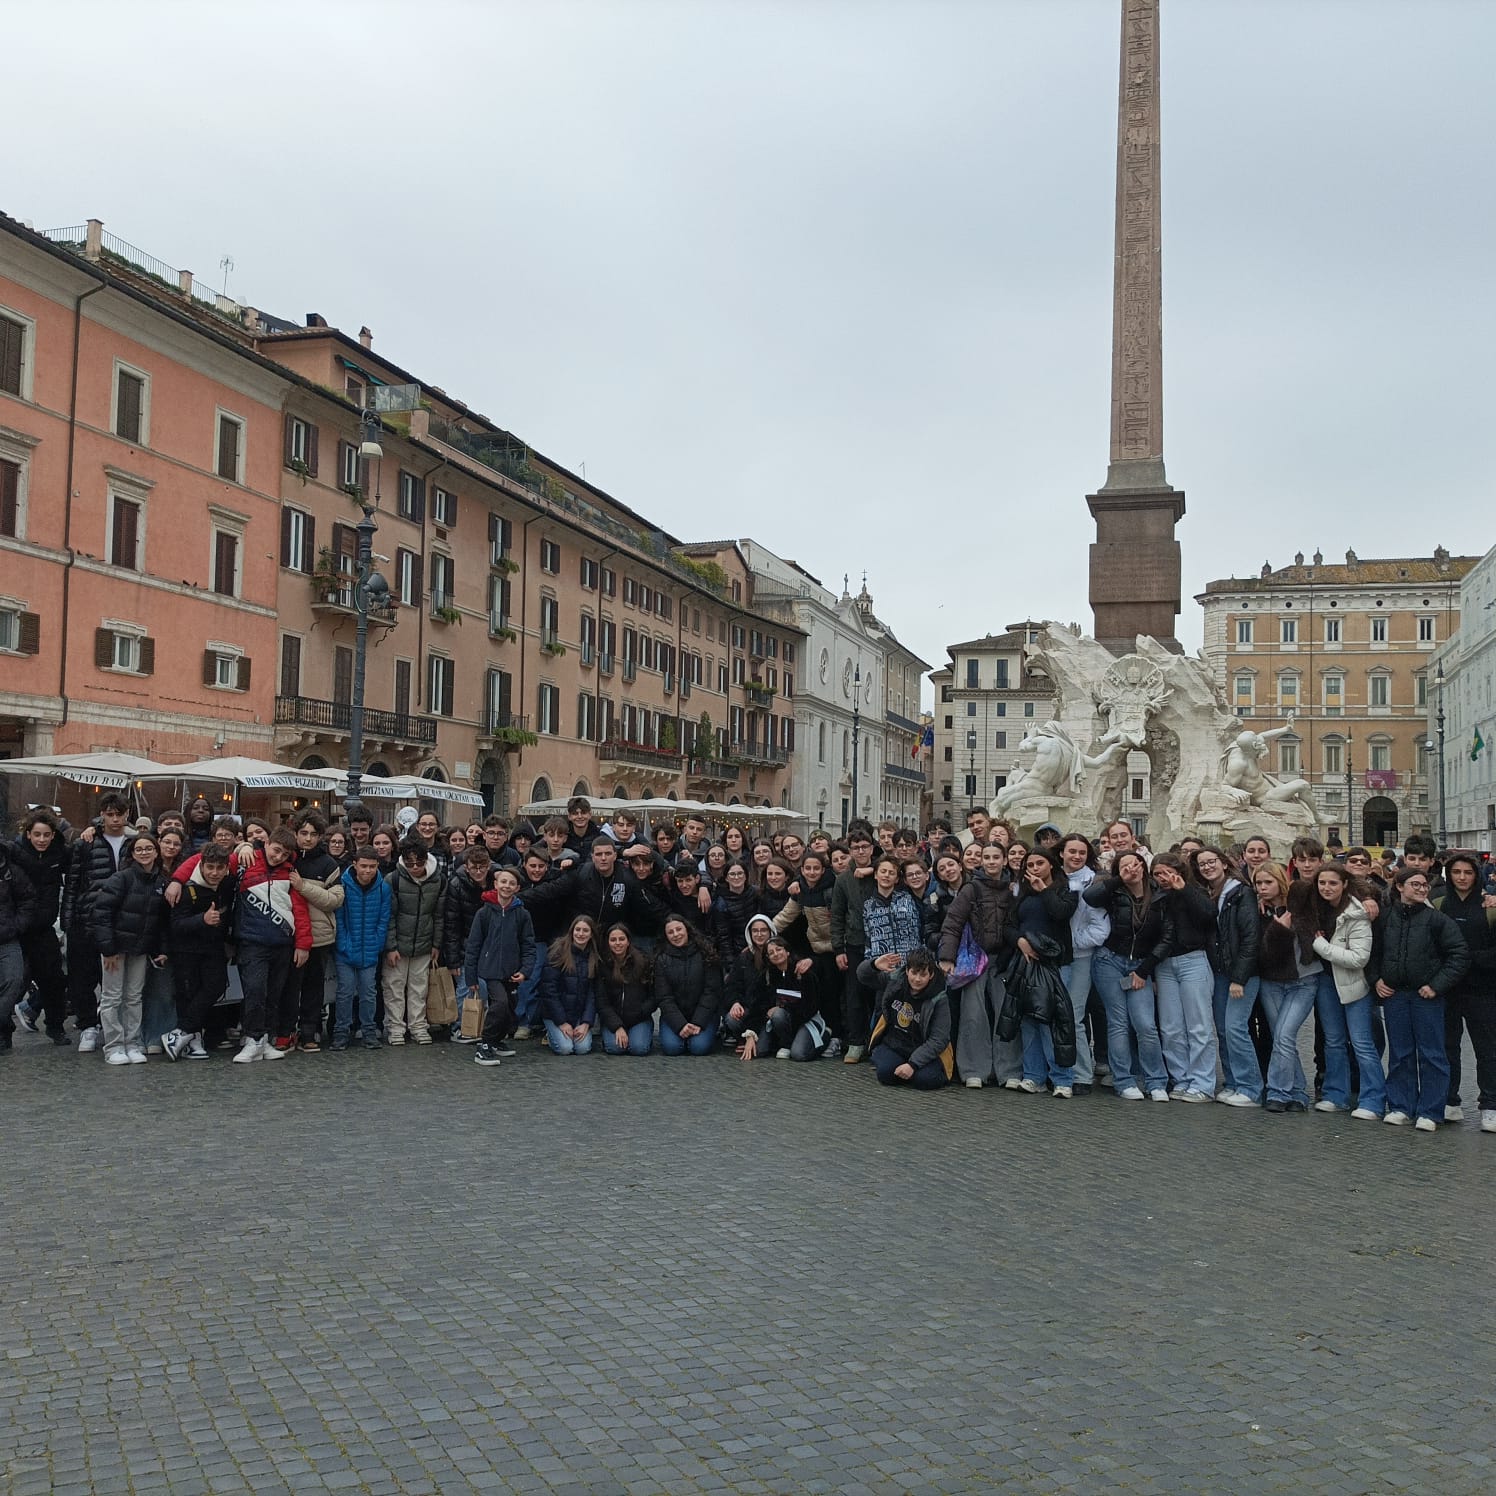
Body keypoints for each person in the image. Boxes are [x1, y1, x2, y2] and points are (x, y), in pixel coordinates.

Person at [1370, 867, 1469, 1129]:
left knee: (1432, 1054)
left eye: (1424, 885)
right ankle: (1401, 1106)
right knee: (1400, 1053)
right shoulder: (1385, 917)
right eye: (1415, 884)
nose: (1422, 889)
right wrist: (1376, 979)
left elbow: (1459, 954)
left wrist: (1436, 985)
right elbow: (1373, 951)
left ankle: (1430, 1111)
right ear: (1399, 886)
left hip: (1426, 996)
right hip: (1395, 995)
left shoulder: (1437, 920)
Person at [1085, 850, 1170, 1101]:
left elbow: (1167, 936)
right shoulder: (1114, 891)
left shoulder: (1159, 894)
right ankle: (1123, 1080)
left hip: (1141, 964)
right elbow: (1090, 897)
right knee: (1118, 1022)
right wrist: (1118, 880)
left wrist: (1145, 970)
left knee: (1145, 1024)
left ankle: (1156, 1081)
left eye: (1135, 863)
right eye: (1124, 865)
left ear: (1143, 866)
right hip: (1109, 960)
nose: (1131, 868)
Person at [937, 841, 1017, 1089]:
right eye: (987, 857)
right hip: (976, 959)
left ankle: (1009, 1070)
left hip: (1004, 959)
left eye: (996, 857)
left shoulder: (1013, 889)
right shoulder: (971, 889)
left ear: (1004, 860)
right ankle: (973, 1069)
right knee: (973, 1014)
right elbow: (953, 922)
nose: (991, 862)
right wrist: (947, 957)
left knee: (1007, 1014)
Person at [61, 791, 135, 1052]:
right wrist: (68, 919)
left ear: (127, 814)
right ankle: (88, 1026)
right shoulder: (86, 843)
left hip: (121, 919)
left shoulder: (134, 843)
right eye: (109, 814)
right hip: (87, 917)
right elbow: (73, 883)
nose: (115, 819)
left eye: (119, 814)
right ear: (102, 814)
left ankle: (111, 1025)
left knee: (115, 979)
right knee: (82, 976)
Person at [233, 827, 311, 1064]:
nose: (278, 857)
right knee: (255, 991)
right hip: (252, 941)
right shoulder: (245, 861)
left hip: (282, 943)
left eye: (284, 854)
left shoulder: (290, 873)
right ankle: (253, 1038)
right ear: (266, 844)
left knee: (273, 995)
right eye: (276, 850)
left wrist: (303, 944)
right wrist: (177, 881)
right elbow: (206, 861)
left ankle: (264, 1039)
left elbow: (299, 910)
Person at [1309, 863, 1381, 1120]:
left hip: (1354, 983)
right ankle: (1335, 1095)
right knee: (1333, 1041)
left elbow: (1358, 958)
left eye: (1333, 883)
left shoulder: (1357, 913)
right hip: (1327, 982)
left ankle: (1373, 1100)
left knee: (1362, 1043)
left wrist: (1320, 945)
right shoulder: (1315, 908)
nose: (1326, 888)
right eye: (1322, 883)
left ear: (1345, 884)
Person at [90, 832, 168, 1065]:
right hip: (116, 948)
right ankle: (113, 1046)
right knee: (112, 997)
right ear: (132, 854)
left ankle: (132, 1043)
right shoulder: (121, 878)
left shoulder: (161, 881)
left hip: (140, 948)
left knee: (134, 997)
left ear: (156, 852)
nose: (144, 853)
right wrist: (108, 949)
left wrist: (161, 948)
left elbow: (161, 921)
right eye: (139, 849)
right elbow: (102, 912)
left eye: (149, 848)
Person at [1192, 845, 1262, 1107]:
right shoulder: (1209, 893)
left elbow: (1250, 936)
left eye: (1211, 861)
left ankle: (1250, 1087)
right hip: (1220, 971)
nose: (1207, 867)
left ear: (1224, 863)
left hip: (1240, 973)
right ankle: (1233, 1082)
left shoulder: (1241, 892)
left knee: (1235, 1028)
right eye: (1202, 864)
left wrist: (1240, 978)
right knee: (1223, 1029)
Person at [1252, 861, 1321, 1115]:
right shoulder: (1257, 911)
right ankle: (1298, 1092)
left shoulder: (1299, 901)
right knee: (1283, 1038)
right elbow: (1262, 953)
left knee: (1283, 1036)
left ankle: (1278, 1092)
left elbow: (1314, 884)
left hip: (1303, 980)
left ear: (1280, 881)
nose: (1262, 887)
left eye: (1268, 882)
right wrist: (1277, 929)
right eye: (1258, 883)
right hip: (1271, 981)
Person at [1008, 849, 1078, 1096]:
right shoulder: (1022, 894)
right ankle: (1033, 1076)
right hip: (1028, 962)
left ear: (1051, 865)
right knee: (1029, 1020)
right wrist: (1020, 941)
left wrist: (1044, 890)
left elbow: (1061, 913)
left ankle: (1062, 1078)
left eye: (1040, 863)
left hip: (1056, 964)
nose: (1035, 868)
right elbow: (1009, 925)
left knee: (1054, 1020)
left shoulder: (1066, 890)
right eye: (1030, 864)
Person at [1434, 853, 1496, 1129]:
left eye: (1468, 872)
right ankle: (1450, 1101)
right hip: (1447, 988)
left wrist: (1468, 958)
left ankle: (1490, 1105)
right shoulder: (1439, 904)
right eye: (1456, 872)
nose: (1462, 877)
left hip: (1482, 989)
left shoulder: (1489, 907)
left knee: (1487, 1050)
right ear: (1449, 874)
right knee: (1448, 1047)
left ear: (1476, 875)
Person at [1151, 851, 1219, 1103]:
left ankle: (1203, 1083)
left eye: (1168, 872)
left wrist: (1184, 890)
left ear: (1178, 872)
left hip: (1193, 959)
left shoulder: (1195, 891)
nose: (1163, 878)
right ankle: (1180, 1078)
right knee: (1170, 1027)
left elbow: (1209, 915)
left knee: (1199, 1025)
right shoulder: (1155, 896)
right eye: (1158, 874)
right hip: (1165, 965)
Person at [160, 842, 237, 1062]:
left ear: (226, 868)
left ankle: (181, 1032)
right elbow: (175, 925)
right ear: (201, 866)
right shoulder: (187, 889)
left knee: (216, 986)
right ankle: (192, 1040)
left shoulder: (228, 884)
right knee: (189, 994)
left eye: (219, 868)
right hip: (187, 950)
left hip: (214, 948)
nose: (214, 873)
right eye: (210, 867)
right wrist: (202, 920)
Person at [277, 810, 344, 1051]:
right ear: (295, 833)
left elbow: (335, 900)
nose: (308, 838)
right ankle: (285, 1031)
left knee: (314, 988)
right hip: (288, 935)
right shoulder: (286, 857)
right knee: (288, 988)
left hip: (319, 936)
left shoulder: (328, 863)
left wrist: (303, 886)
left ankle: (309, 1032)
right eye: (303, 833)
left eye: (313, 834)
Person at [10, 810, 72, 1044]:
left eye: (46, 834)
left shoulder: (60, 853)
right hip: (17, 927)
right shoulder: (14, 852)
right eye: (37, 834)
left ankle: (55, 1026)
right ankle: (4, 1032)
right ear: (28, 834)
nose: (42, 839)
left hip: (44, 928)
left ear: (53, 834)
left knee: (53, 980)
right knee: (14, 982)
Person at [466, 867, 538, 1069]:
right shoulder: (484, 912)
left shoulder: (522, 914)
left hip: (512, 971)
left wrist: (525, 970)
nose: (507, 886)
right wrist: (471, 977)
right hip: (490, 970)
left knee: (509, 1008)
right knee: (500, 1003)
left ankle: (497, 1040)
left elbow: (528, 945)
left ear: (517, 888)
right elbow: (473, 945)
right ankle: (485, 1044)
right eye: (503, 882)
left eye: (511, 883)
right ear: (496, 884)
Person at [1058, 833, 1106, 1093]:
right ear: (1062, 853)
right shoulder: (1051, 876)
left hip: (1080, 958)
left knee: (1074, 1016)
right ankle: (1059, 1070)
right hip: (1052, 957)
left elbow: (1101, 929)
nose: (1076, 856)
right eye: (1072, 851)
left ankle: (1081, 1074)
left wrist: (1071, 942)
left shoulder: (1093, 882)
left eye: (1082, 852)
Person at [332, 847, 392, 1050]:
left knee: (368, 992)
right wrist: (343, 943)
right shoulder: (343, 885)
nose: (367, 870)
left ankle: (369, 1031)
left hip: (370, 949)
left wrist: (377, 942)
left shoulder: (383, 888)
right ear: (355, 865)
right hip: (346, 950)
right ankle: (341, 1032)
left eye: (372, 866)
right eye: (364, 866)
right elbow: (338, 918)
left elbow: (384, 919)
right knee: (345, 992)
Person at [869, 949, 953, 1089]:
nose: (917, 979)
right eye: (914, 973)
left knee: (924, 1080)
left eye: (923, 974)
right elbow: (863, 976)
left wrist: (912, 1064)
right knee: (885, 1073)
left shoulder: (939, 998)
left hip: (924, 1047)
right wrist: (873, 965)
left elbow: (939, 1039)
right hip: (895, 1043)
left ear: (931, 975)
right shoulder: (896, 980)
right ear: (907, 971)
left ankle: (909, 1070)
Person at [830, 828, 878, 1063]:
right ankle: (856, 1042)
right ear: (850, 851)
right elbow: (837, 915)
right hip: (855, 943)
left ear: (872, 848)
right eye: (856, 848)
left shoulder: (881, 871)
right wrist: (838, 948)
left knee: (879, 995)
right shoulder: (843, 880)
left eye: (864, 847)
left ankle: (877, 1042)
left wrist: (874, 869)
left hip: (880, 943)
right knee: (854, 996)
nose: (860, 851)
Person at [442, 845, 495, 1037]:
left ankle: (483, 1027)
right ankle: (461, 1028)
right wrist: (453, 960)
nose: (478, 872)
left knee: (487, 989)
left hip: (490, 945)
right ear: (466, 867)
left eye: (482, 867)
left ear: (489, 866)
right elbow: (451, 924)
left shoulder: (496, 880)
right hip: (465, 944)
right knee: (465, 987)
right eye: (474, 868)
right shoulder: (456, 884)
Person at [655, 916, 723, 1056]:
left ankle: (711, 1033)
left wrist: (698, 1021)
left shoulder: (706, 953)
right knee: (672, 1048)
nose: (676, 934)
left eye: (679, 929)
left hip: (704, 1015)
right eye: (670, 932)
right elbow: (664, 997)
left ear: (687, 930)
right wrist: (680, 1024)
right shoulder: (661, 959)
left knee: (698, 1048)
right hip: (674, 1016)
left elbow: (712, 991)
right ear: (666, 936)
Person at [538, 916, 601, 1055]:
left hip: (578, 1014)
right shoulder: (557, 952)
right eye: (577, 929)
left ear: (591, 934)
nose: (581, 934)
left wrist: (586, 1023)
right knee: (565, 1048)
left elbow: (593, 994)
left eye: (585, 930)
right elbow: (548, 990)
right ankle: (550, 1034)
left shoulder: (594, 957)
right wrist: (561, 1022)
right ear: (572, 931)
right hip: (555, 1014)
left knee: (582, 1048)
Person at [0, 837, 38, 1052]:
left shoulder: (11, 871)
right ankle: (3, 1030)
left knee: (14, 981)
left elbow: (28, 900)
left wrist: (16, 925)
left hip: (8, 937)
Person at [598, 924, 656, 1055]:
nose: (617, 943)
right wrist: (617, 1026)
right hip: (613, 1018)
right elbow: (601, 1001)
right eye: (613, 940)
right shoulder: (602, 965)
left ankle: (642, 1036)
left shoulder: (643, 961)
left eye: (621, 939)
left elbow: (654, 995)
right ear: (608, 942)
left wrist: (641, 1012)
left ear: (628, 941)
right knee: (615, 1048)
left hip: (639, 1018)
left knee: (639, 1048)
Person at [723, 914, 776, 1051]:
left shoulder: (778, 954)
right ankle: (742, 1038)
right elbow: (732, 985)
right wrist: (735, 1002)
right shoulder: (744, 957)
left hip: (769, 1011)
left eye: (763, 930)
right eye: (755, 931)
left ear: (770, 931)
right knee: (731, 1018)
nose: (759, 934)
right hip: (750, 1009)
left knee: (761, 1050)